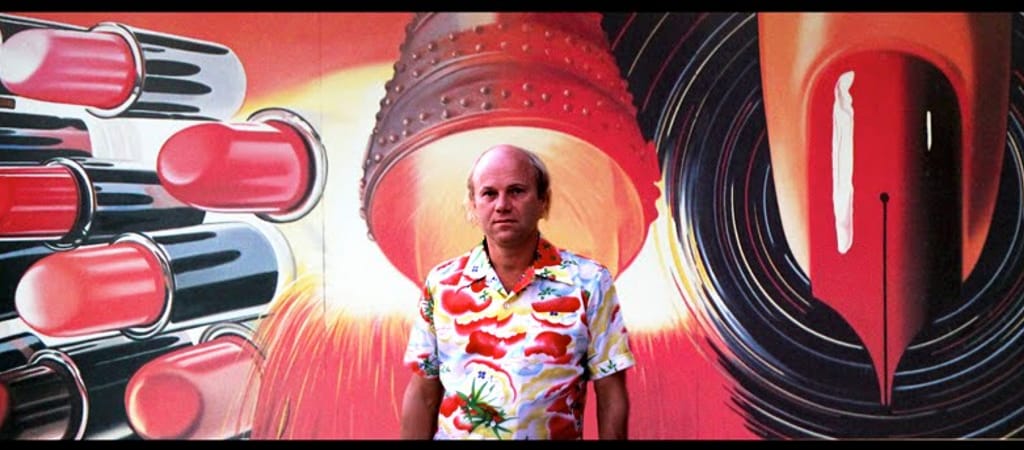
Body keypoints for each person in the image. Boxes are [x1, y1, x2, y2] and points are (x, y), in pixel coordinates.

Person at [399, 144, 635, 440]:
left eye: (516, 191)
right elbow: (423, 393)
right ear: (472, 205)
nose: (502, 205)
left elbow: (610, 393)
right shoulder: (443, 284)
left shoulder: (589, 282)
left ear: (543, 201)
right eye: (489, 193)